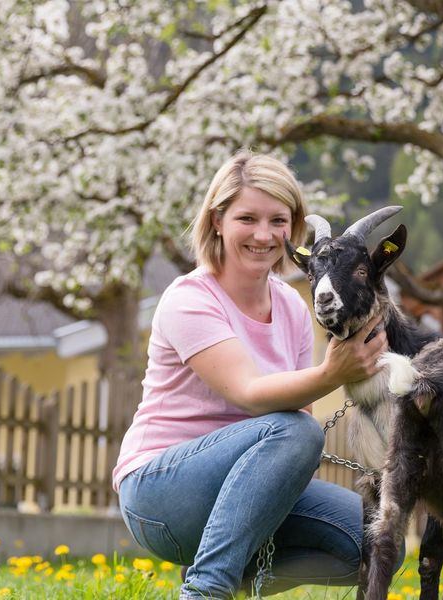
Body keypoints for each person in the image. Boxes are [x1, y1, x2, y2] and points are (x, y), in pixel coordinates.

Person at [113, 150, 393, 599]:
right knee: (298, 432)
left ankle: (236, 576)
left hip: (243, 495)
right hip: (161, 495)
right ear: (218, 220)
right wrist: (332, 373)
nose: (263, 235)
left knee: (376, 537)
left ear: (293, 229)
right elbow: (250, 394)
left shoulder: (293, 310)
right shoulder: (189, 299)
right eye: (247, 218)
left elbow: (290, 421)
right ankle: (207, 590)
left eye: (278, 221)